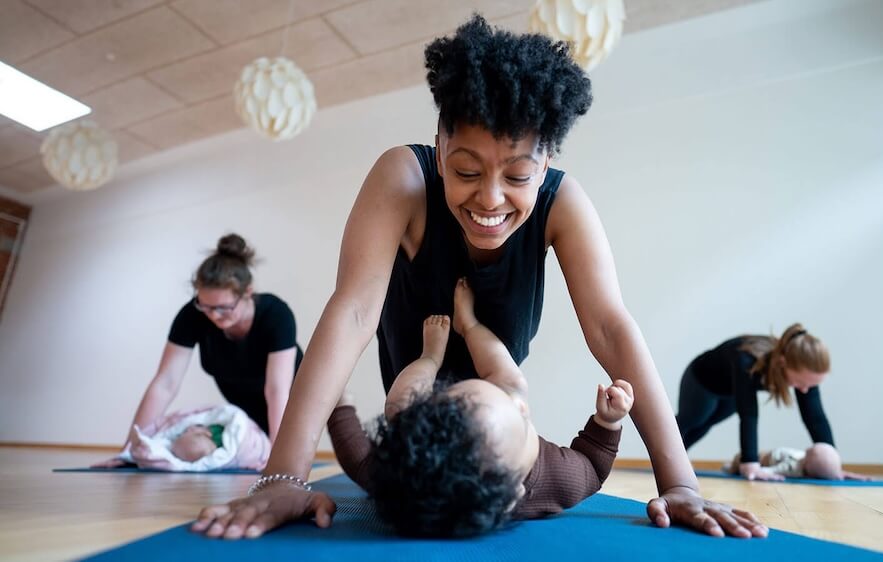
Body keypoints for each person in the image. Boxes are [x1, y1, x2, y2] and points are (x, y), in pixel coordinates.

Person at [193, 16, 766, 540]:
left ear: (544, 165)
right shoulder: (404, 178)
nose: (489, 199)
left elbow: (611, 329)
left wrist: (680, 483)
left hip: (498, 416)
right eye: (466, 170)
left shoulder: (562, 202)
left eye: (517, 175)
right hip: (414, 409)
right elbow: (354, 310)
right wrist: (283, 477)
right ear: (440, 148)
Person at [327, 278, 632, 537]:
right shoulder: (559, 480)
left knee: (400, 408)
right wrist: (607, 422)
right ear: (514, 494)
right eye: (521, 417)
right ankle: (469, 324)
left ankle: (430, 357)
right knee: (513, 382)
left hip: (419, 426)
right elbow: (593, 468)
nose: (520, 404)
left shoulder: (400, 482)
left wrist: (337, 404)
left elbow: (358, 458)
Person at [94, 234, 303, 468]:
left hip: (294, 397)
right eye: (206, 306)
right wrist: (129, 451)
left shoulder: (276, 315)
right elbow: (165, 383)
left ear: (247, 293)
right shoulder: (193, 316)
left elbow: (277, 390)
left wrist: (278, 457)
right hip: (245, 404)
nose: (214, 315)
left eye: (224, 307)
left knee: (293, 454)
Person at [675, 324, 838, 481]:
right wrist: (750, 462)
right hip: (702, 379)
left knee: (705, 425)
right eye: (802, 383)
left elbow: (815, 417)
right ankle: (667, 457)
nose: (805, 390)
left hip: (731, 390)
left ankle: (676, 460)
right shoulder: (747, 359)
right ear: (782, 363)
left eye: (811, 385)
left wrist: (832, 464)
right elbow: (749, 414)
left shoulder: (803, 376)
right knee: (693, 420)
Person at [115, 403, 272, 471]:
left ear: (204, 431)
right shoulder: (224, 451)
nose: (184, 430)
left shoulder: (216, 426)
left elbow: (225, 416)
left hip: (252, 435)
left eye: (185, 432)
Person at [721, 444, 871, 481]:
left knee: (740, 458)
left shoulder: (793, 467)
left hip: (766, 457)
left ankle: (731, 467)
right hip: (768, 454)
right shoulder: (806, 462)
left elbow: (775, 470)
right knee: (742, 459)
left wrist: (765, 471)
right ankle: (732, 467)